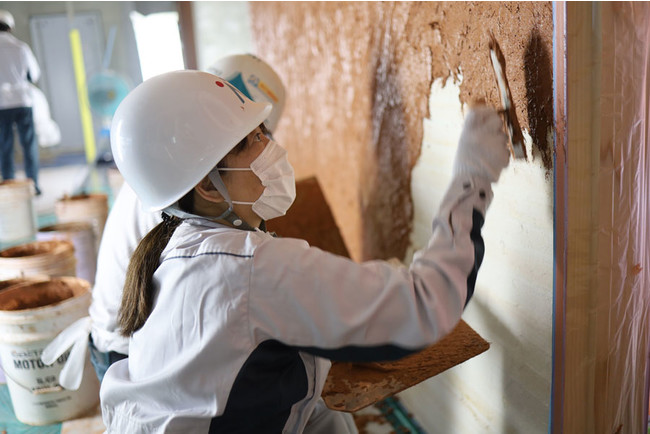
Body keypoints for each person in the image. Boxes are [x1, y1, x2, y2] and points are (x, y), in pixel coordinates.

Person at [99, 70, 509, 433]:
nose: (270, 146)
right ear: (208, 186)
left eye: (264, 130)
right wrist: (472, 180)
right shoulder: (248, 269)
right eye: (251, 140)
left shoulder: (177, 252)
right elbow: (424, 305)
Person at [88, 54, 287, 383]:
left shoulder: (170, 168)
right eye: (255, 139)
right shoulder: (189, 199)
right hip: (127, 357)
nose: (267, 151)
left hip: (122, 342)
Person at [0, 10, 42, 195]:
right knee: (28, 144)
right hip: (23, 101)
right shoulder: (21, 47)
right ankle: (33, 185)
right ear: (11, 27)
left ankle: (9, 185)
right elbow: (34, 75)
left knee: (5, 145)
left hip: (1, 104)